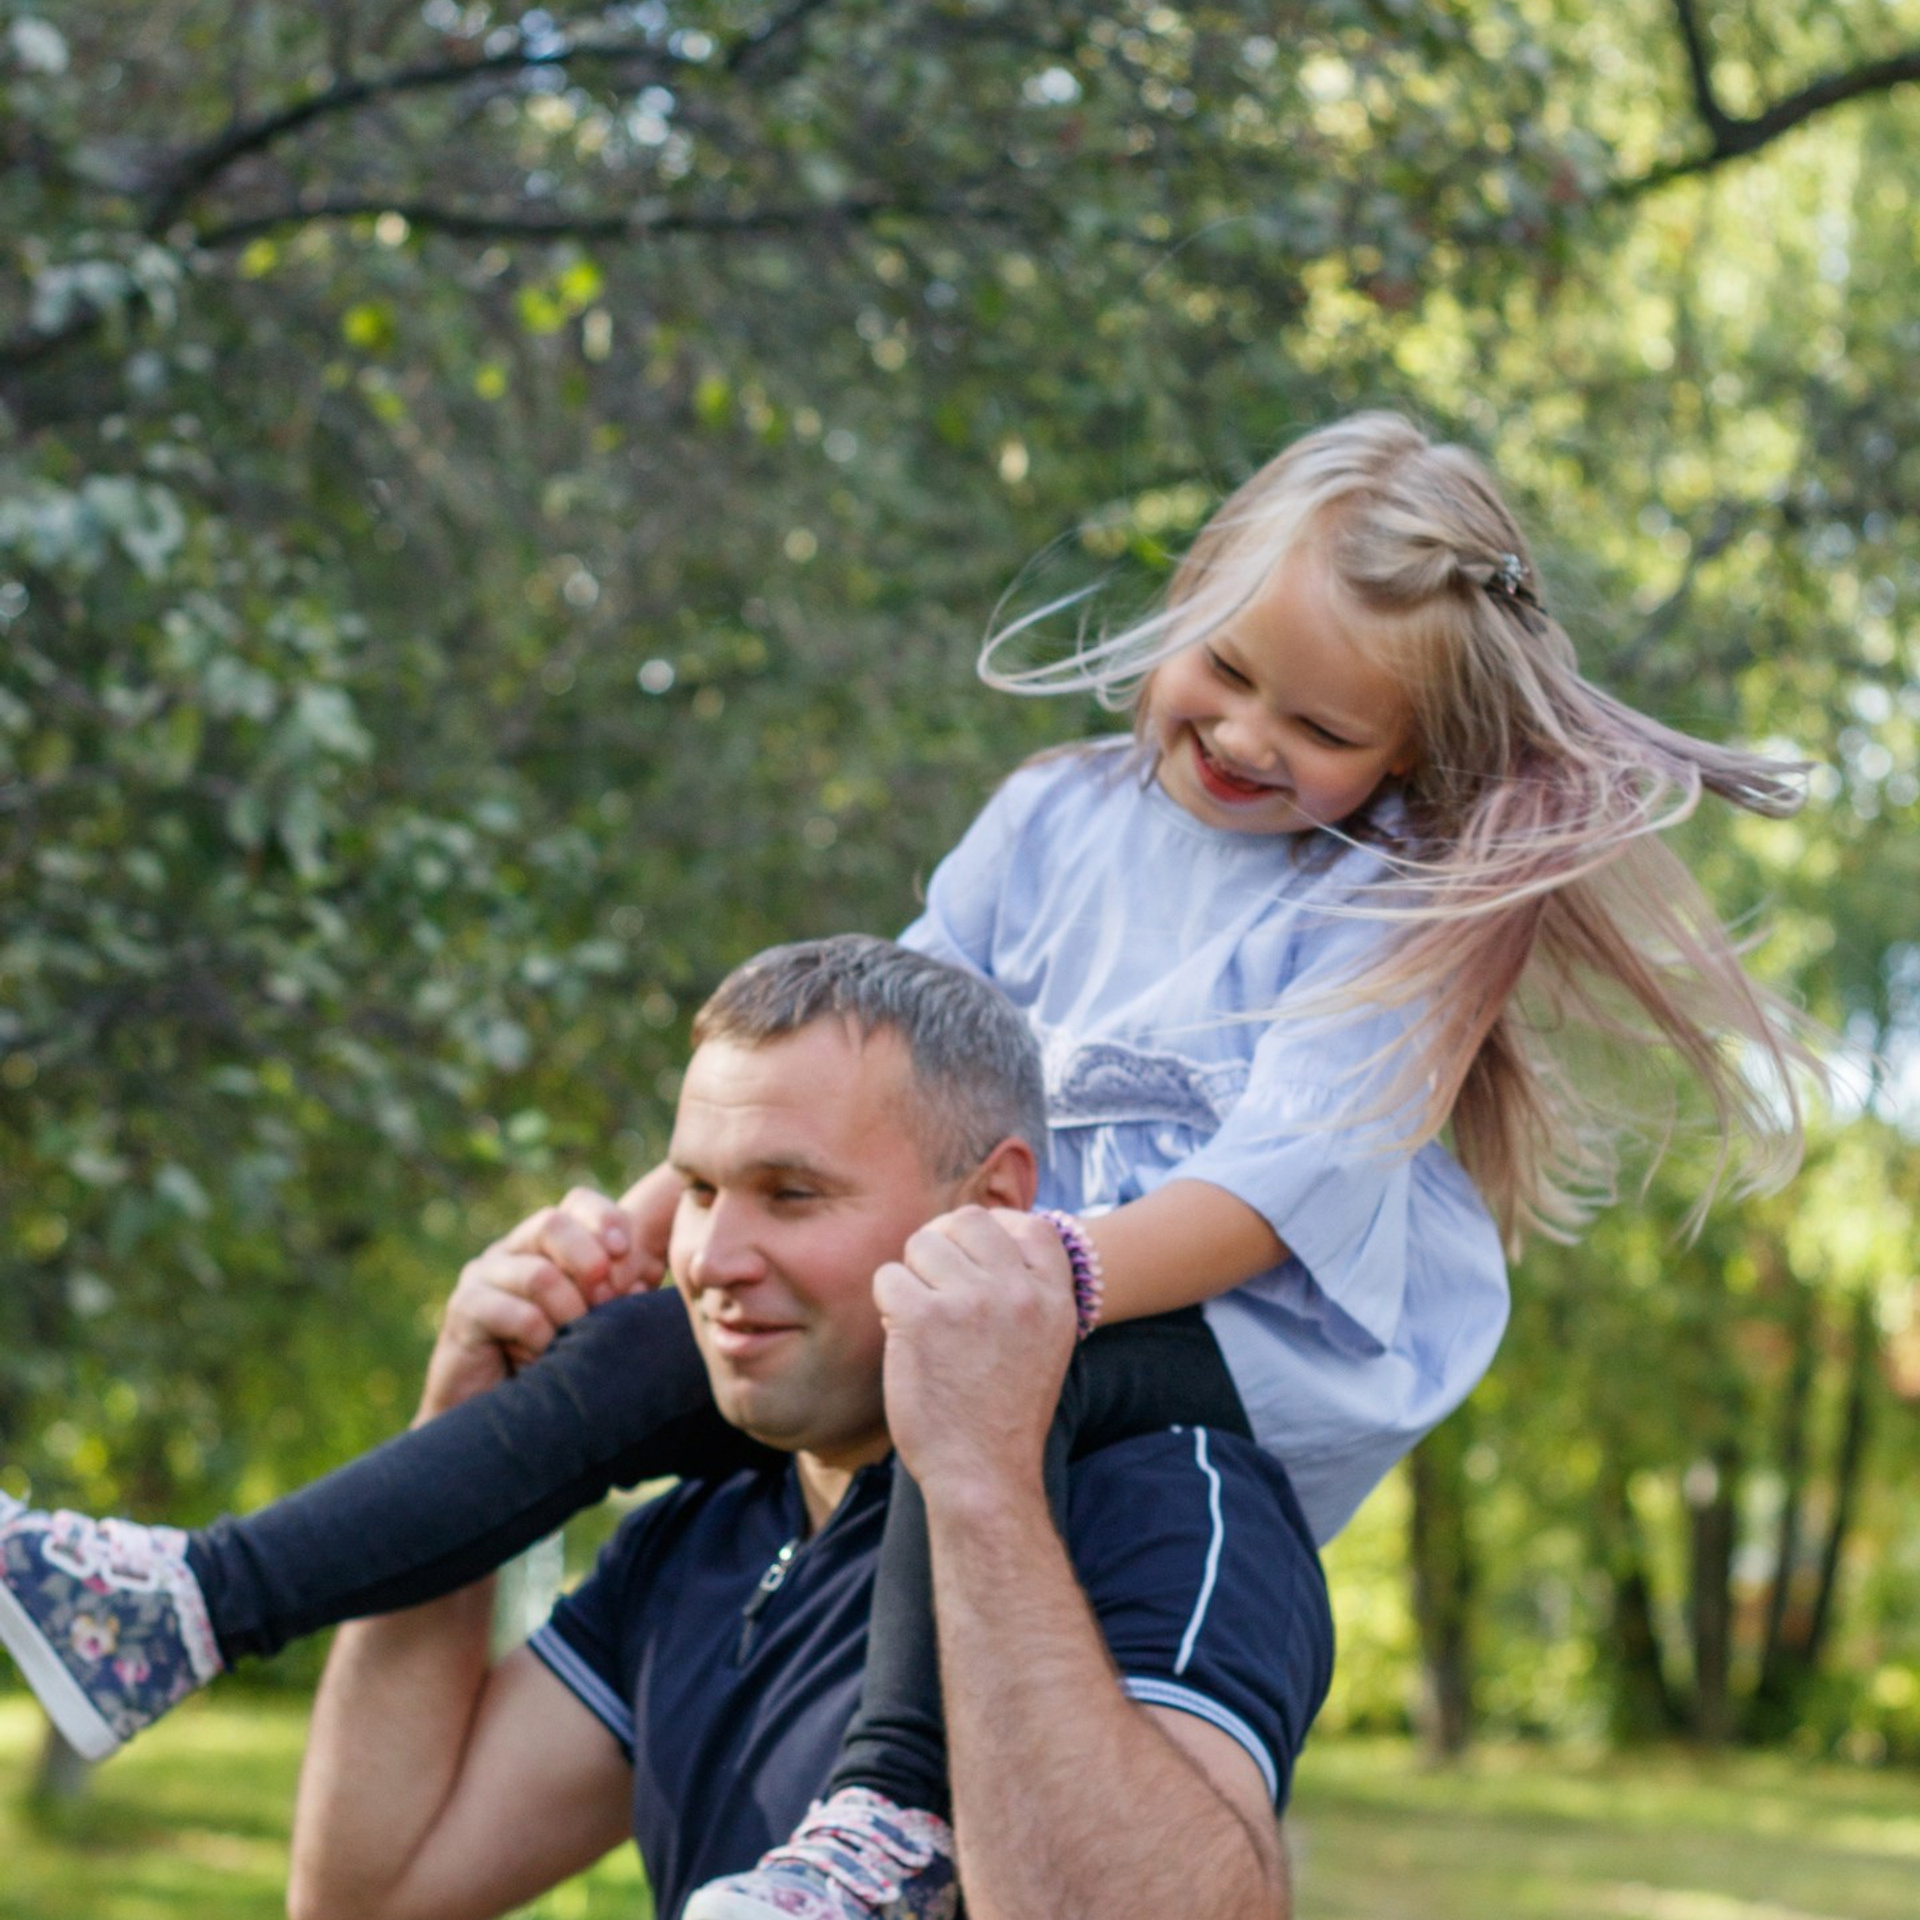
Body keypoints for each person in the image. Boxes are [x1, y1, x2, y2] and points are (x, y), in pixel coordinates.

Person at [0, 413, 1824, 1919]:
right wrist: (623, 1244)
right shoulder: (1054, 820)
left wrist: (1052, 1284)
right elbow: (361, 1903)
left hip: (1186, 1324)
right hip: (986, 1284)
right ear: (1183, 605)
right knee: (609, 1368)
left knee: (995, 1382)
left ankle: (888, 1817)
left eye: (1327, 731)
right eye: (1229, 673)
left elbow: (1280, 1191)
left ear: (1409, 753)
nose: (1251, 739)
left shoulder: (1385, 927)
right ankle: (190, 1598)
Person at [285, 935, 1330, 1920]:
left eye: (790, 1194)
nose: (712, 1258)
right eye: (698, 1189)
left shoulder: (1170, 1502)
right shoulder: (705, 1526)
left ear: (995, 1202)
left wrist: (978, 1481)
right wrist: (457, 1437)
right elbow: (371, 1895)